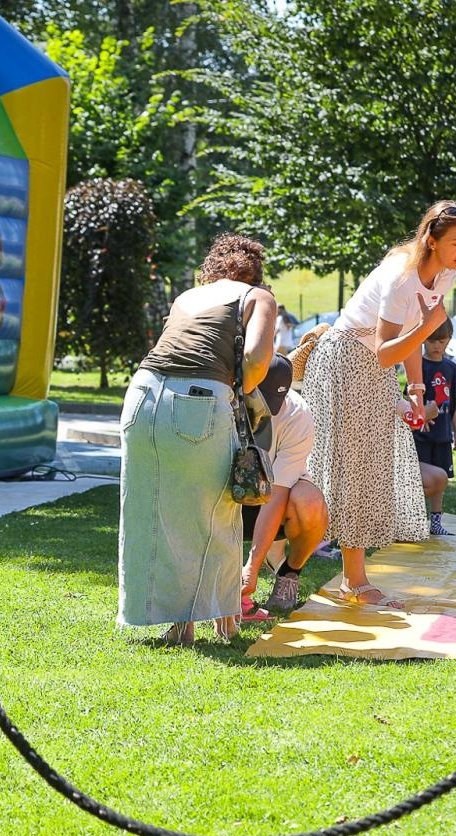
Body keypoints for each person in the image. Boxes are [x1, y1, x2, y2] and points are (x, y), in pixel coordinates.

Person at [303, 200, 456, 608]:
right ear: (430, 240)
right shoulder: (401, 277)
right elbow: (386, 350)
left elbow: (410, 337)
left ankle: (349, 577)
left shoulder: (444, 274)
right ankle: (348, 579)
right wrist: (429, 327)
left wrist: (416, 388)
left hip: (372, 367)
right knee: (353, 470)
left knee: (372, 468)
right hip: (346, 360)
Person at [119, 234, 277, 645]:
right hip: (199, 402)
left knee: (152, 512)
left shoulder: (188, 296)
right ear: (256, 273)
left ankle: (176, 622)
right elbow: (258, 360)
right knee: (217, 511)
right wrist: (246, 391)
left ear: (211, 269)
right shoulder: (258, 297)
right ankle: (221, 618)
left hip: (142, 395)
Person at [241, 354, 329, 614]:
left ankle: (288, 573)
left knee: (310, 502)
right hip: (228, 497)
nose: (270, 409)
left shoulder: (297, 413)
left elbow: (278, 493)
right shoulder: (223, 400)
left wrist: (252, 566)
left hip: (270, 500)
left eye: (276, 400)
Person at [412, 318, 456, 536]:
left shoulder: (451, 367)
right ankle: (413, 519)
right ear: (424, 340)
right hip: (422, 435)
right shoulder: (417, 366)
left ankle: (436, 522)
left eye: (441, 341)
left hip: (443, 435)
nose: (436, 346)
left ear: (449, 340)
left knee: (441, 479)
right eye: (431, 341)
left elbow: (454, 402)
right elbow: (411, 395)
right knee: (421, 479)